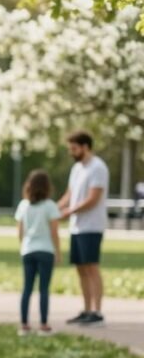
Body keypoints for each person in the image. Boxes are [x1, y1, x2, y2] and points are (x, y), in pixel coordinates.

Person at [58, 130, 108, 327]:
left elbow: (93, 199)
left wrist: (69, 212)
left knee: (91, 267)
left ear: (85, 146)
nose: (72, 152)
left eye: (74, 148)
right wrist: (53, 209)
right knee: (80, 268)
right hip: (76, 227)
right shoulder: (77, 168)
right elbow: (69, 195)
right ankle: (87, 310)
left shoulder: (98, 167)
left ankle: (97, 311)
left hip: (92, 226)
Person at [15, 170, 62, 336]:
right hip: (45, 250)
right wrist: (58, 251)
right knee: (43, 288)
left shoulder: (23, 205)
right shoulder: (50, 206)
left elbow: (20, 231)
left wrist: (23, 246)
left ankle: (24, 324)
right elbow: (54, 232)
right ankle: (43, 324)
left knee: (27, 288)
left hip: (28, 250)